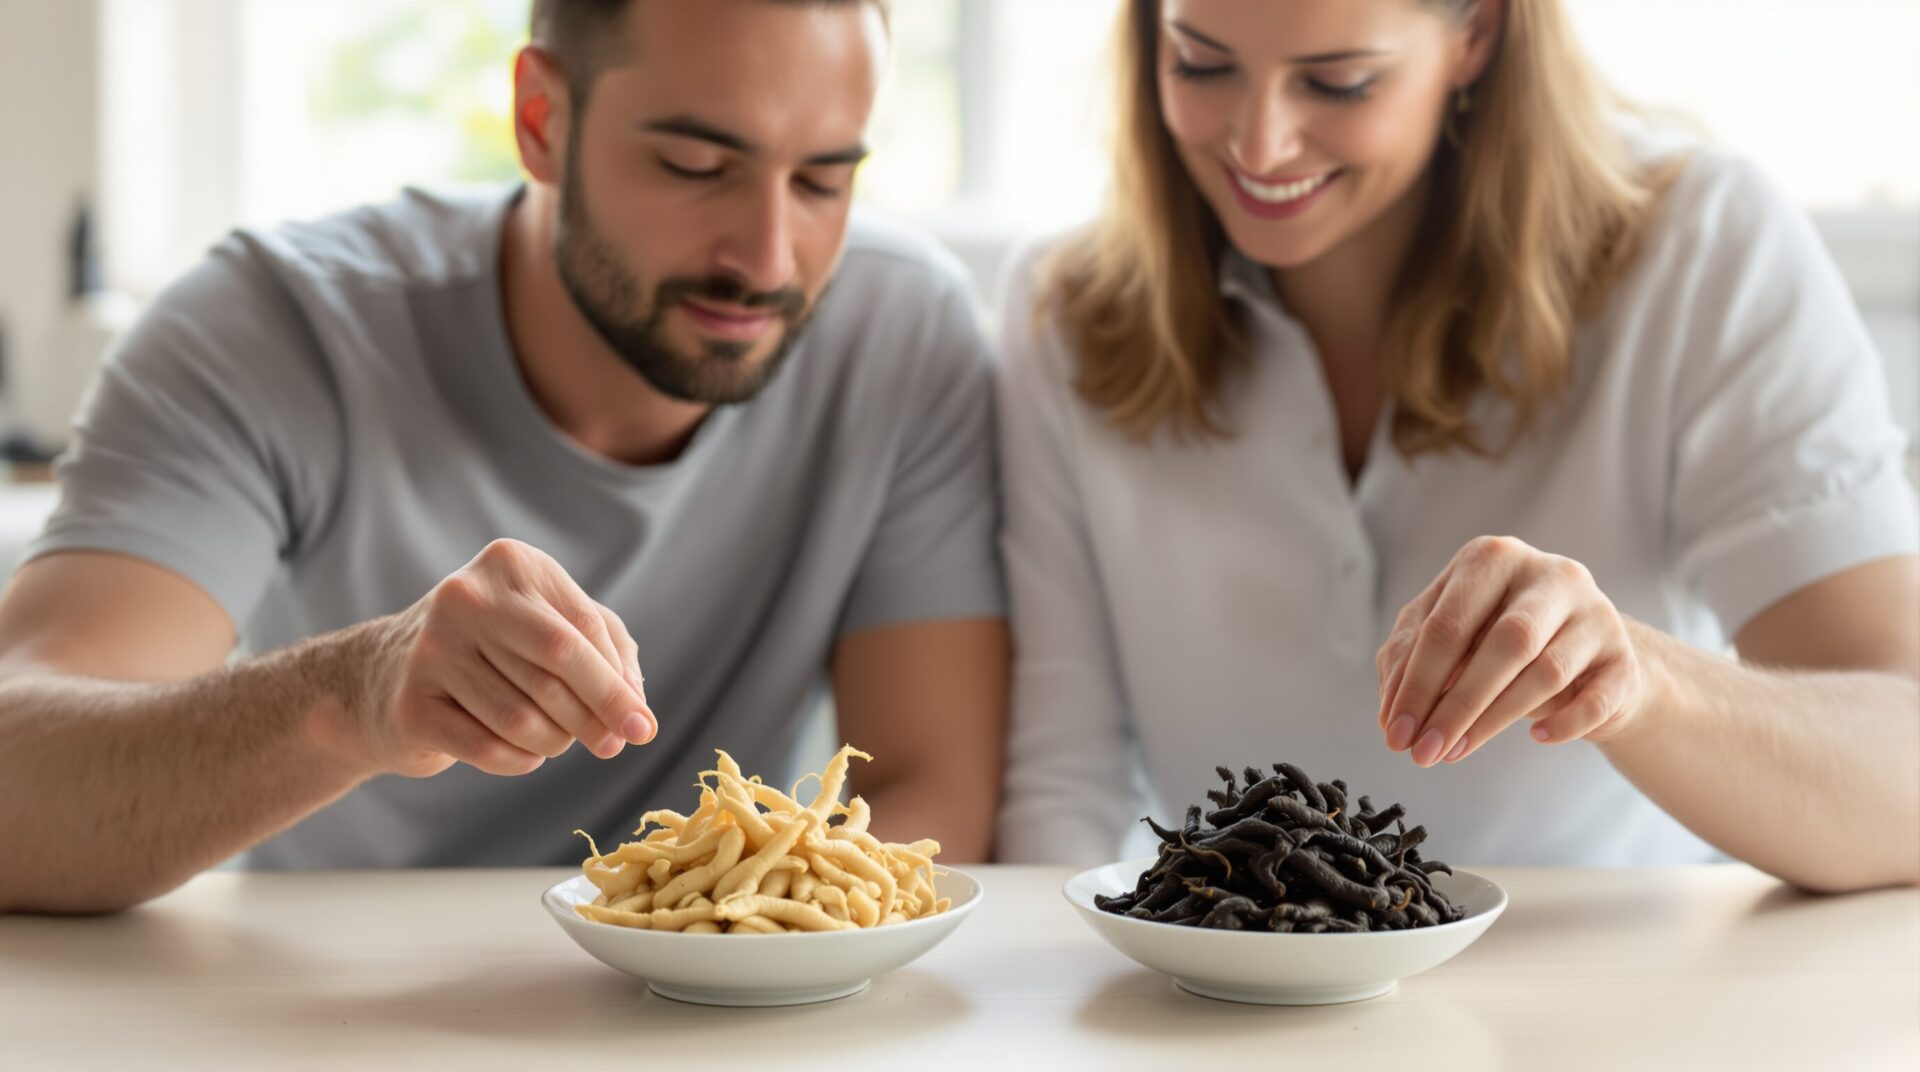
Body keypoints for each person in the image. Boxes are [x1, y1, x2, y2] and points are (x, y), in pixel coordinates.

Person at [0, 0, 1009, 914]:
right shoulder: (272, 329)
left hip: (728, 1010)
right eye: (696, 167)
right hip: (324, 1002)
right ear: (542, 121)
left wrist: (715, 925)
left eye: (826, 181)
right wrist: (355, 691)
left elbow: (931, 788)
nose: (769, 259)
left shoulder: (902, 336)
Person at [994, 0, 1918, 891]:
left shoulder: (1703, 248)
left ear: (1476, 32)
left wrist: (1638, 683)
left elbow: (1903, 777)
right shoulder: (1060, 316)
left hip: (1613, 1008)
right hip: (1217, 1005)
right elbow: (1058, 797)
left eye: (1338, 82)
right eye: (1200, 62)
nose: (1259, 142)